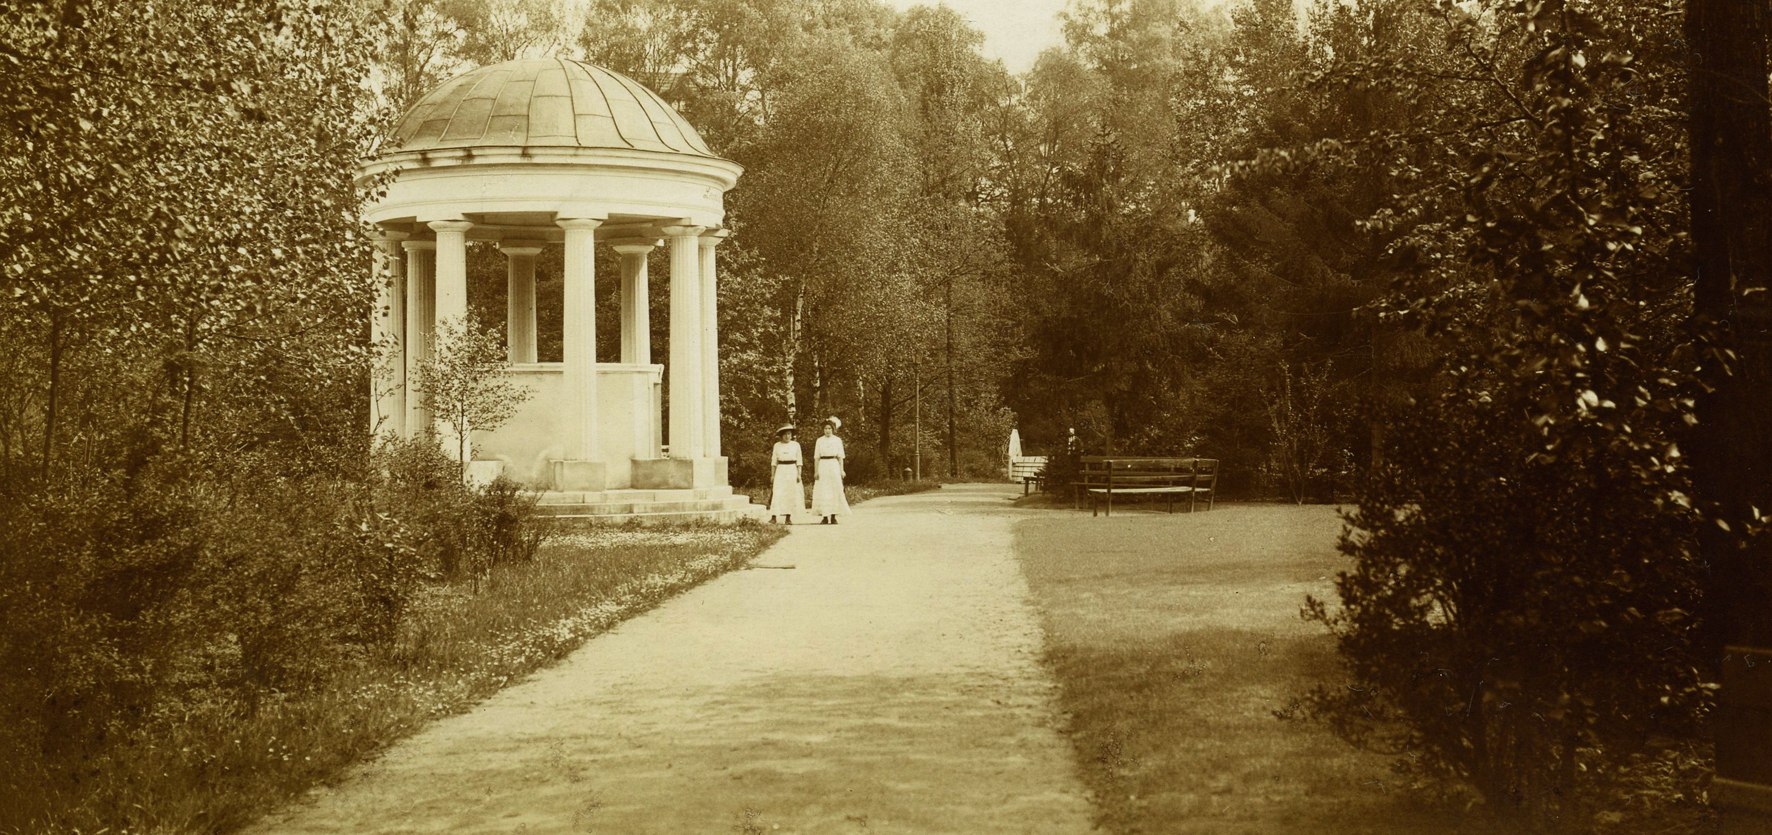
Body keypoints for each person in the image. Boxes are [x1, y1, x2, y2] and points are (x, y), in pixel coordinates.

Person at [810, 416, 850, 524]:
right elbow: (816, 457)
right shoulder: (819, 441)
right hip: (823, 466)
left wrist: (842, 470)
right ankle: (824, 516)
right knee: (823, 490)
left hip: (834, 465)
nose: (827, 431)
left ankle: (833, 516)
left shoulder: (837, 440)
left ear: (833, 429)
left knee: (834, 490)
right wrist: (816, 471)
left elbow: (840, 457)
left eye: (829, 429)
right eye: (825, 429)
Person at [768, 424, 804, 524]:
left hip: (792, 470)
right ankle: (774, 517)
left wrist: (799, 474)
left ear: (792, 435)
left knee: (790, 493)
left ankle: (788, 518)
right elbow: (773, 462)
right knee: (777, 492)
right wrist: (773, 475)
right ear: (781, 436)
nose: (787, 436)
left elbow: (799, 461)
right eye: (785, 434)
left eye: (789, 434)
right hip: (781, 470)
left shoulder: (796, 445)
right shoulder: (777, 445)